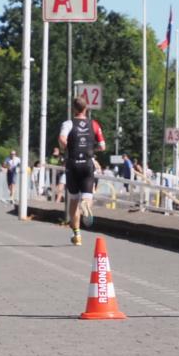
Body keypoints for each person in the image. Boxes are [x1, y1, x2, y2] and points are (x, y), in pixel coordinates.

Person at [59, 97, 106, 246]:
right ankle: (86, 204)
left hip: (72, 164)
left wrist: (66, 147)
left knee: (73, 200)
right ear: (86, 109)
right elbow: (103, 146)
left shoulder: (68, 124)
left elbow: (61, 139)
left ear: (74, 109)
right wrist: (92, 149)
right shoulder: (94, 124)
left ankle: (77, 235)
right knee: (87, 195)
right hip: (87, 163)